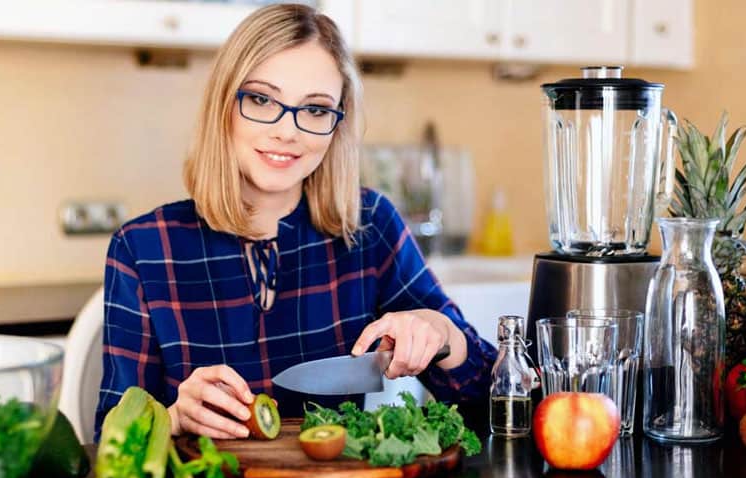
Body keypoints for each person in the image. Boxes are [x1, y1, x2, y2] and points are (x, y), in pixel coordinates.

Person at [96, 3, 497, 441]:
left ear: (337, 124)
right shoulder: (142, 248)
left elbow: (489, 395)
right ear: (223, 106)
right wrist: (174, 419)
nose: (288, 131)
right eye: (262, 99)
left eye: (316, 110)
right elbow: (110, 438)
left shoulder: (369, 226)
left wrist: (441, 335)